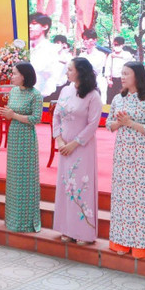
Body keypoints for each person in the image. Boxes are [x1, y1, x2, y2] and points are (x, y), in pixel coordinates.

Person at [105, 62, 145, 258]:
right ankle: (120, 242)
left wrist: (131, 123)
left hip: (141, 155)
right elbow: (108, 125)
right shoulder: (117, 99)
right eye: (121, 73)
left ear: (137, 76)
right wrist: (118, 123)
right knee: (123, 198)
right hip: (122, 154)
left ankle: (142, 245)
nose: (122, 77)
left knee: (141, 199)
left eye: (126, 73)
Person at [52, 57, 102, 244]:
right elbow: (56, 115)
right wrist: (58, 139)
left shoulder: (93, 95)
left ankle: (83, 231)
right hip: (64, 146)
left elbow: (93, 124)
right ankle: (67, 228)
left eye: (70, 69)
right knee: (66, 186)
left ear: (80, 71)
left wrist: (74, 143)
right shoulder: (65, 90)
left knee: (82, 185)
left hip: (82, 148)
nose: (67, 72)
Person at [0, 61, 42, 232]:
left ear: (24, 76)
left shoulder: (35, 95)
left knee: (26, 177)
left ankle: (26, 221)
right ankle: (12, 219)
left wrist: (14, 115)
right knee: (14, 177)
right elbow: (11, 111)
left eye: (15, 73)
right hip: (14, 135)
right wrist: (7, 114)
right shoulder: (14, 91)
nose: (12, 76)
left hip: (26, 138)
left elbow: (36, 119)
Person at [29, 14, 61, 100]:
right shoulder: (26, 48)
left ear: (45, 26)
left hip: (43, 98)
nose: (30, 26)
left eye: (34, 23)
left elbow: (51, 76)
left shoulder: (51, 49)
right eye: (29, 23)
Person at [79, 29, 108, 103]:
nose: (85, 41)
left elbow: (95, 70)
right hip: (82, 85)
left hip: (96, 85)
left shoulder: (101, 55)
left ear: (95, 40)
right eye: (84, 39)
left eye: (88, 39)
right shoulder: (81, 55)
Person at [105, 37, 134, 104]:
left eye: (118, 45)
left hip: (123, 81)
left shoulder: (127, 54)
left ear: (122, 45)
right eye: (114, 45)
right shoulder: (110, 55)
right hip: (113, 81)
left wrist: (116, 56)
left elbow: (129, 58)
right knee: (110, 101)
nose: (116, 46)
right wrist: (108, 80)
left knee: (123, 100)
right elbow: (107, 68)